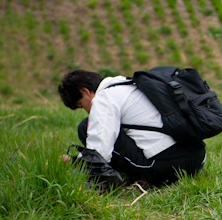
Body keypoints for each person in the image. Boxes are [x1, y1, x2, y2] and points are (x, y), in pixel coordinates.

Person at [58, 69, 206, 188]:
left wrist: (77, 164)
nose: (86, 110)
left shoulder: (104, 98)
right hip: (197, 157)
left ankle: (120, 179)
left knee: (85, 126)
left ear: (85, 92)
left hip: (168, 168)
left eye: (81, 105)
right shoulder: (130, 84)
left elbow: (99, 153)